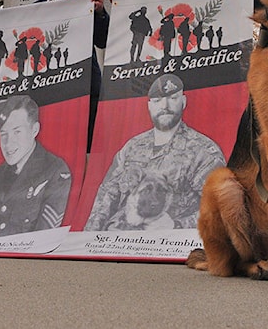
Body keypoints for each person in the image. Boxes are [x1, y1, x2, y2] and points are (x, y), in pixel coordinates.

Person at [84, 74, 224, 231]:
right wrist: (89, 236)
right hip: (118, 239)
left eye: (172, 98)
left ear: (183, 102)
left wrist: (176, 226)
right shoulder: (132, 147)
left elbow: (222, 208)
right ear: (149, 106)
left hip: (168, 245)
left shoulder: (203, 152)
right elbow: (106, 196)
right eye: (157, 100)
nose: (165, 105)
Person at [0, 95, 71, 240]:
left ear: (34, 130)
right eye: (3, 134)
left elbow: (45, 236)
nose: (8, 143)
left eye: (17, 131)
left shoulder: (55, 170)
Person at [35, 0, 109, 150]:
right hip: (47, 92)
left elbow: (104, 41)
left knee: (85, 148)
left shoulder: (87, 3)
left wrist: (100, 12)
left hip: (83, 90)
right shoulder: (33, 10)